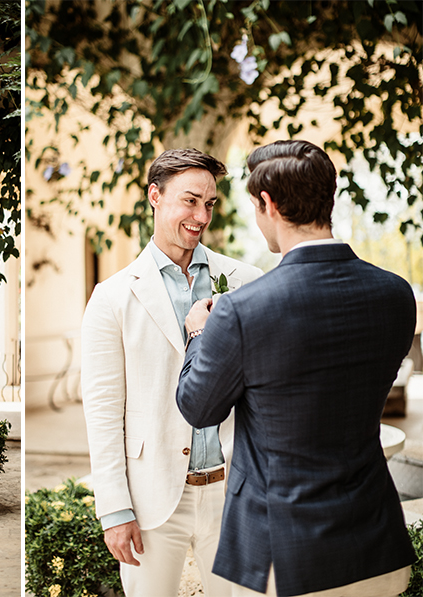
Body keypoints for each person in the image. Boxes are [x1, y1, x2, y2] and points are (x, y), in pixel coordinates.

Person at [176, 139, 416, 597]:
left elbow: (198, 408)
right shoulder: (395, 294)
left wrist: (200, 332)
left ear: (268, 203)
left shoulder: (242, 311)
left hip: (285, 558)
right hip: (375, 542)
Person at [81, 148, 262, 596]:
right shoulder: (112, 297)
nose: (201, 215)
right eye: (190, 200)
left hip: (233, 490)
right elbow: (104, 412)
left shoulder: (245, 281)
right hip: (152, 497)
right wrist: (115, 510)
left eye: (210, 204)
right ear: (155, 196)